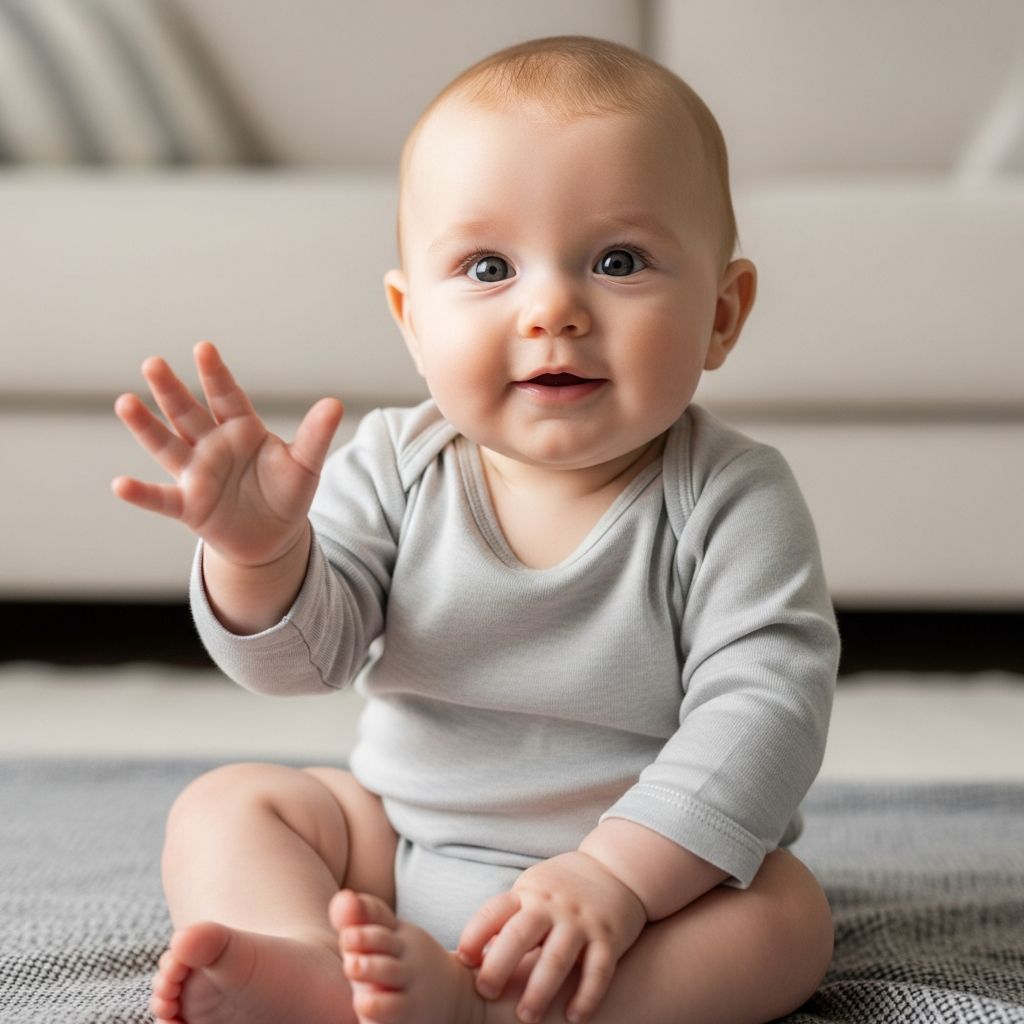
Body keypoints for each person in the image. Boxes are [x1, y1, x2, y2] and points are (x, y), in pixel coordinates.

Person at [114, 35, 839, 1024]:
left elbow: (763, 717)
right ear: (412, 322)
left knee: (783, 920)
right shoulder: (394, 464)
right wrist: (261, 554)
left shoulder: (730, 497)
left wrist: (614, 879)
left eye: (617, 260)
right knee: (230, 804)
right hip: (407, 845)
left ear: (722, 311)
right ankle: (318, 969)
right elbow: (301, 662)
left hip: (644, 892)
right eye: (489, 266)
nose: (551, 309)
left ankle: (482, 1007)